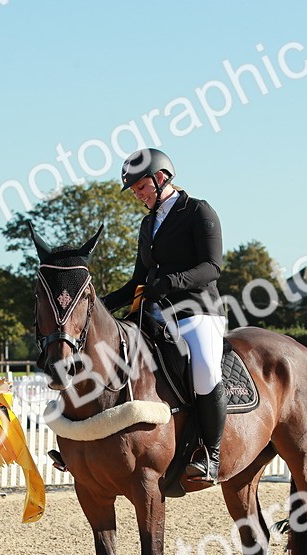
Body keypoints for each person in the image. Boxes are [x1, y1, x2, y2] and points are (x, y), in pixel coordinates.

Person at [102, 148, 227, 484]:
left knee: (202, 369)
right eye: (136, 191)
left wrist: (171, 282)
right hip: (153, 313)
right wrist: (100, 305)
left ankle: (210, 454)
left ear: (160, 178)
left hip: (197, 311)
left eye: (142, 188)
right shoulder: (148, 223)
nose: (139, 196)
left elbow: (212, 267)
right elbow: (138, 282)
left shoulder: (198, 211)